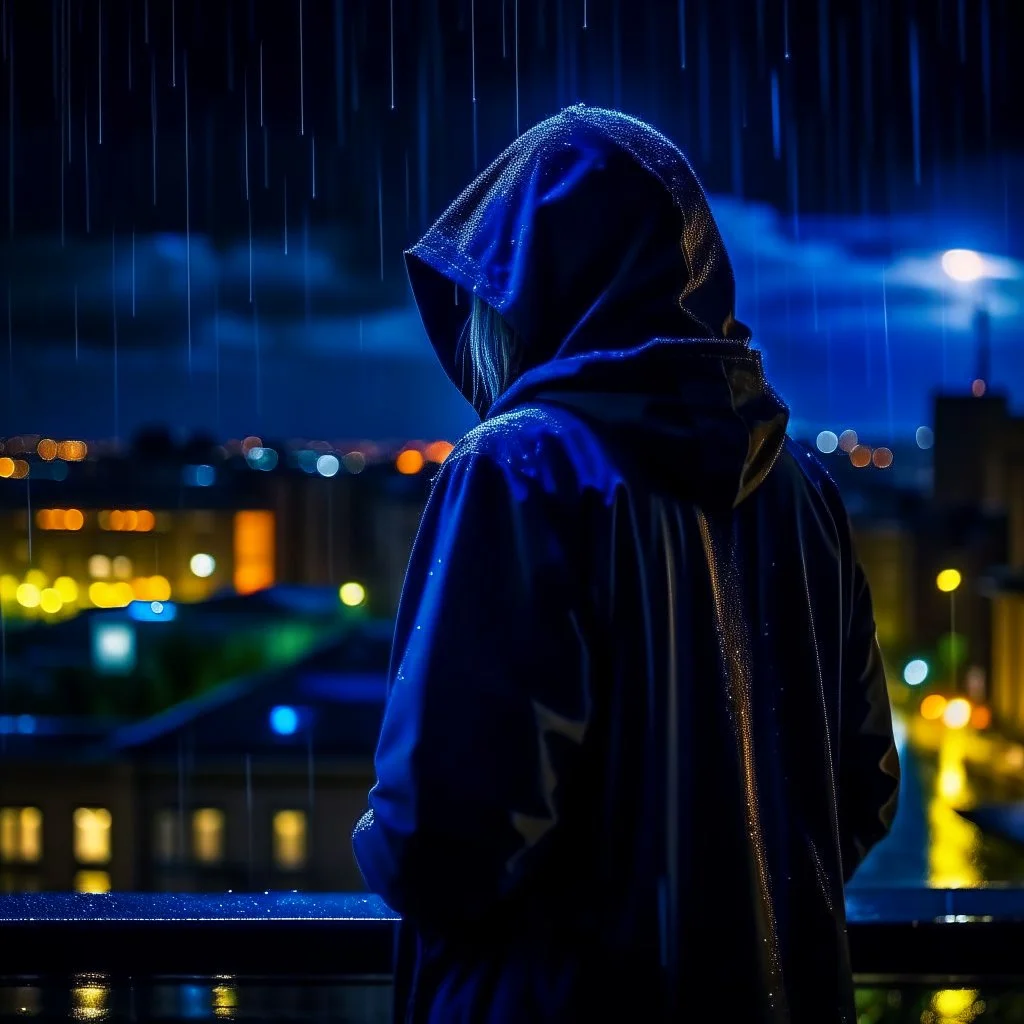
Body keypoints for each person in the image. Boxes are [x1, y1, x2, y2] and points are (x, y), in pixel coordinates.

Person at [353, 105, 899, 1024]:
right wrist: (727, 905)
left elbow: (452, 836)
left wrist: (381, 841)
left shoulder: (519, 467)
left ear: (532, 289)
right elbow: (864, 786)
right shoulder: (800, 486)